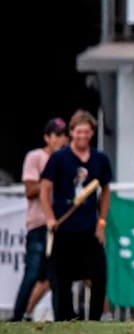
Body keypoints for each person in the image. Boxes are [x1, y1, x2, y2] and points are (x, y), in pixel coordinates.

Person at [39, 110, 112, 321]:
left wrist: (101, 223)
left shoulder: (100, 160)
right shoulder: (59, 158)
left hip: (89, 227)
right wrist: (50, 217)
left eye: (87, 132)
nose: (82, 136)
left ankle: (96, 318)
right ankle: (66, 319)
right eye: (78, 132)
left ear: (92, 133)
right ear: (71, 133)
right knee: (61, 280)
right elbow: (45, 189)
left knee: (99, 275)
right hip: (63, 227)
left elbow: (105, 191)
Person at [10, 118, 68, 321]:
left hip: (60, 225)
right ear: (47, 137)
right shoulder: (35, 157)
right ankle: (17, 316)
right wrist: (50, 181)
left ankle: (61, 317)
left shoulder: (67, 159)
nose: (62, 139)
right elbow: (30, 189)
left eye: (64, 135)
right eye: (57, 135)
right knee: (34, 273)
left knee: (55, 276)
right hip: (39, 223)